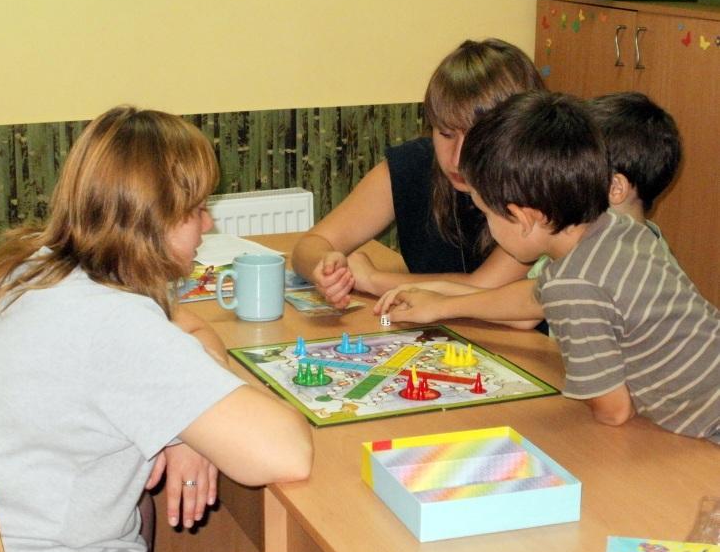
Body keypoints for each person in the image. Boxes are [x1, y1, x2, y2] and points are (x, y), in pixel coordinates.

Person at [0, 106, 314, 552]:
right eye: (197, 209)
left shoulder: (25, 267)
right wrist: (201, 405)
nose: (209, 223)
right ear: (155, 219)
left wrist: (188, 418)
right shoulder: (114, 324)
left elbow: (184, 323)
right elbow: (286, 453)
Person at [447, 90, 719, 440]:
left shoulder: (572, 284)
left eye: (486, 214)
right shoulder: (617, 230)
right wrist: (439, 306)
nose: (488, 225)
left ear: (522, 217)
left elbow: (615, 411)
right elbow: (534, 297)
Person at [376, 92, 684, 330]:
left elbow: (528, 309)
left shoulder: (614, 256)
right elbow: (530, 298)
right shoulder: (588, 243)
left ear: (615, 187)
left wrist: (438, 302)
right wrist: (435, 299)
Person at [291, 38, 545, 308]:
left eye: (475, 139)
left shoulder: (537, 185)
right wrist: (327, 269)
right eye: (446, 133)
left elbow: (486, 289)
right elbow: (311, 245)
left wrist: (371, 279)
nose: (458, 159)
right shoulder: (413, 164)